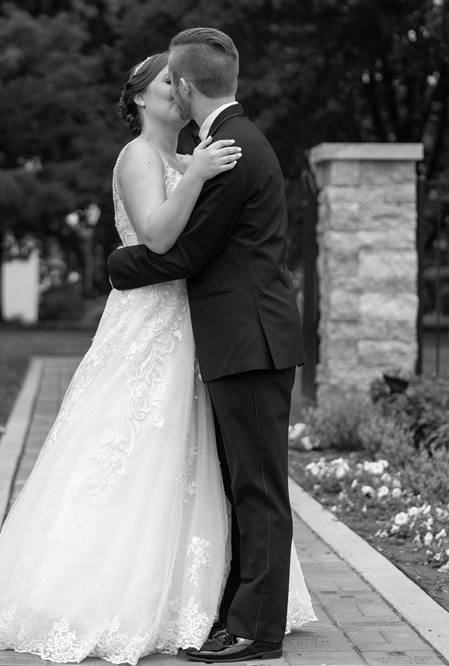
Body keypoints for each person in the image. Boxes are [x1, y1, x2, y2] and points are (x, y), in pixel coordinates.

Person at [0, 51, 314, 666]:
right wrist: (185, 185)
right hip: (151, 324)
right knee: (131, 448)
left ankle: (213, 601)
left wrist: (127, 254)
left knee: (203, 464)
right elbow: (162, 237)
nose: (173, 93)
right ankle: (115, 591)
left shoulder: (207, 153)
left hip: (198, 325)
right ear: (139, 97)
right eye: (163, 84)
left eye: (176, 82)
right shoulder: (143, 157)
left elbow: (201, 248)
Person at [106, 28, 308, 663]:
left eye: (174, 79)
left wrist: (117, 266)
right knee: (244, 484)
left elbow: (188, 251)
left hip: (248, 341)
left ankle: (256, 632)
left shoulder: (230, 149)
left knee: (258, 489)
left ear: (187, 86)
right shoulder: (231, 143)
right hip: (242, 339)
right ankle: (238, 615)